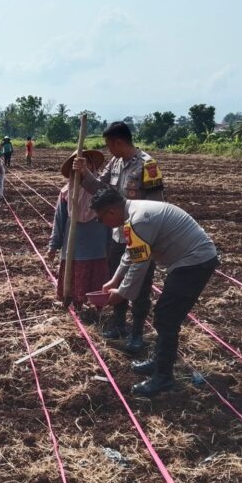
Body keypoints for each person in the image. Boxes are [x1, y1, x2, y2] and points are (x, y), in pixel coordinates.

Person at [89, 187, 218, 398]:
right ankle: (159, 362)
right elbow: (132, 253)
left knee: (167, 317)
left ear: (111, 211)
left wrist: (121, 293)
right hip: (186, 262)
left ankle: (163, 377)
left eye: (101, 218)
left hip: (195, 262)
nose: (102, 224)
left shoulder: (140, 219)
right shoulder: (134, 217)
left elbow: (140, 263)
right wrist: (114, 280)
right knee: (164, 315)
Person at [77, 120, 165, 354]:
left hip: (141, 235)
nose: (108, 150)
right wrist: (84, 173)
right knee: (116, 278)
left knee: (141, 284)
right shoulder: (115, 163)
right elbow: (100, 190)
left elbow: (156, 206)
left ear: (118, 142)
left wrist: (145, 234)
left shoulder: (148, 165)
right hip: (117, 234)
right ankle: (118, 324)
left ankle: (137, 333)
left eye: (108, 145)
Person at [47, 150, 110, 318]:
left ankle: (98, 308)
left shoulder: (101, 189)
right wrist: (53, 246)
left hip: (97, 245)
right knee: (75, 278)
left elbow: (112, 216)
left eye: (87, 163)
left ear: (92, 166)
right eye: (79, 164)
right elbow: (59, 220)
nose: (83, 167)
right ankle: (77, 305)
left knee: (98, 277)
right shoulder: (66, 193)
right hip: (74, 246)